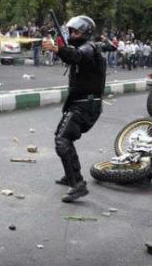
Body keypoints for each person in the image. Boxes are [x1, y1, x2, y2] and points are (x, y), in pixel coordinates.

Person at [43, 15, 116, 203]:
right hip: (81, 103)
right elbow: (73, 55)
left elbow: (77, 56)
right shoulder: (82, 47)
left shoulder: (90, 48)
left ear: (86, 33)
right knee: (65, 138)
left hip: (85, 105)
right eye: (71, 31)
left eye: (76, 32)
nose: (72, 34)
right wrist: (61, 49)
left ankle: (77, 184)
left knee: (62, 140)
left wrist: (58, 49)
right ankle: (71, 176)